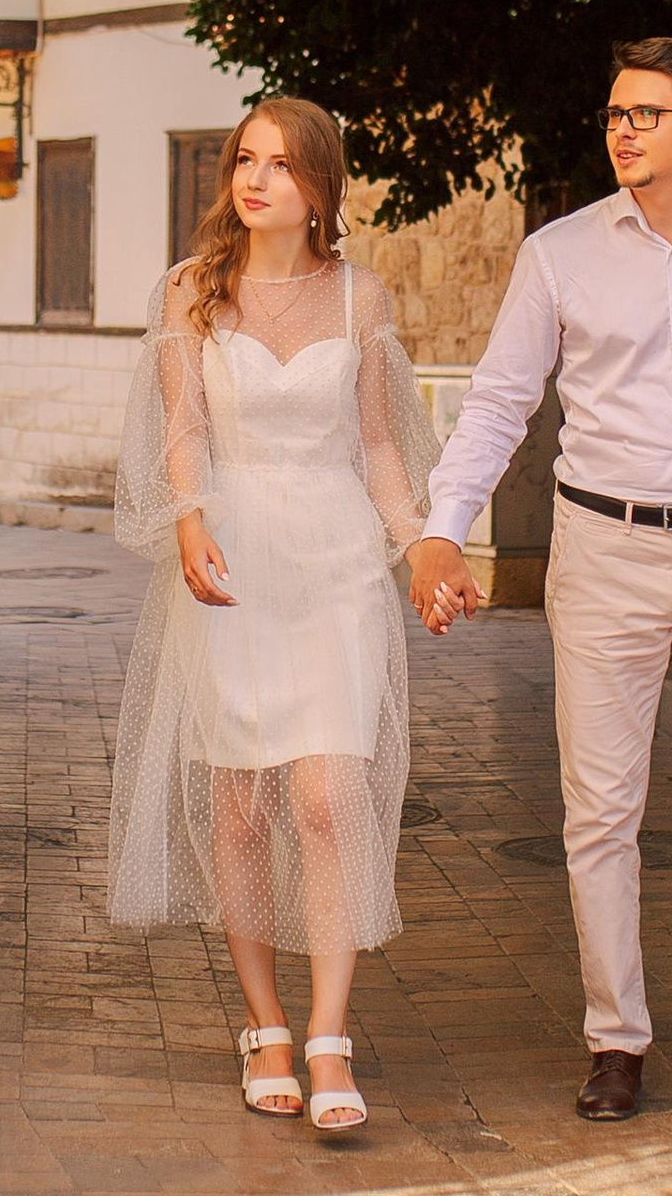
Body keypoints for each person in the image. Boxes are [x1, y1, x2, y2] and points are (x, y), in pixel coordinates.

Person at [405, 39, 672, 1126]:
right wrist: (440, 529)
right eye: (612, 113)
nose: (621, 129)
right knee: (601, 808)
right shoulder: (559, 255)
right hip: (602, 547)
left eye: (645, 113)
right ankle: (616, 1039)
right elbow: (501, 400)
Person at [110, 99, 438, 1133]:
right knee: (243, 805)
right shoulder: (190, 291)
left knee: (328, 798)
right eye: (244, 161)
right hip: (234, 561)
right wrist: (188, 520)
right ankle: (265, 1024)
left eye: (281, 165)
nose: (256, 180)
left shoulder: (359, 297)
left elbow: (379, 445)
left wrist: (420, 541)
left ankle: (332, 1032)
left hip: (336, 560)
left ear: (319, 187)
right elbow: (180, 434)